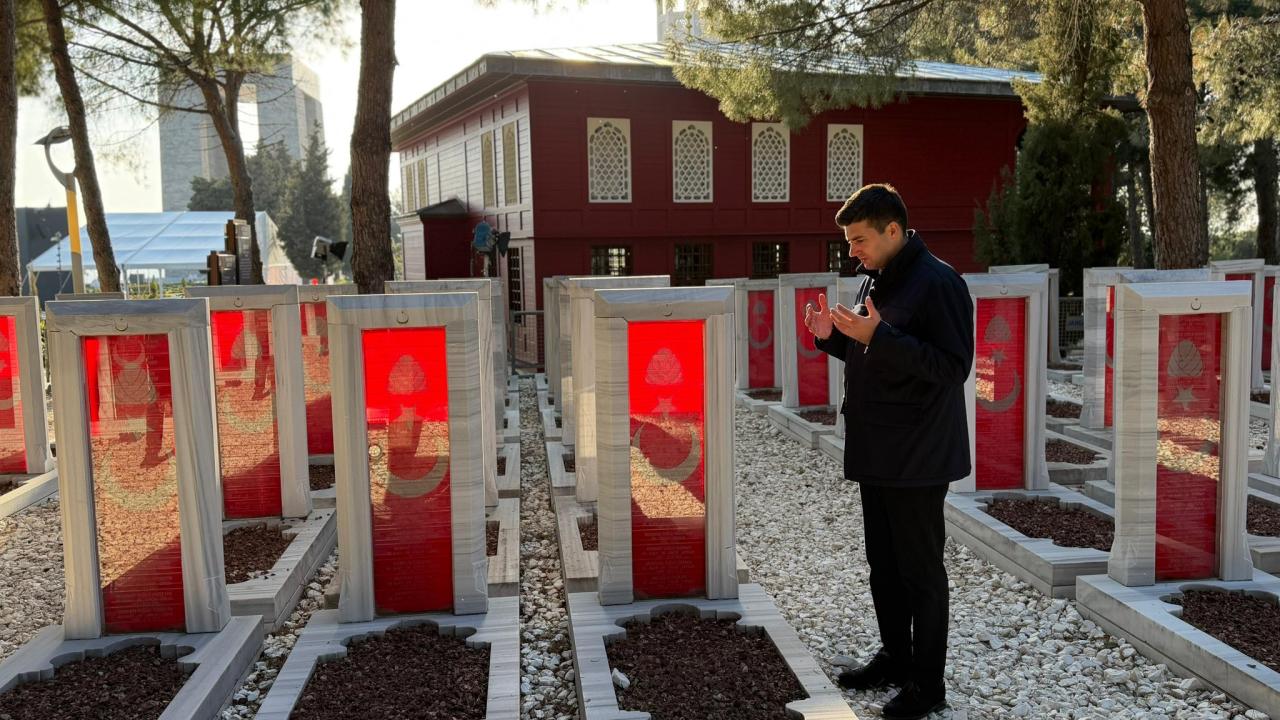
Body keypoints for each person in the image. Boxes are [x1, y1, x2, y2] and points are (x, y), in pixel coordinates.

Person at [804, 183, 974, 720]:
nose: (852, 250)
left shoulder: (939, 283)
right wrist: (831, 337)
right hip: (878, 450)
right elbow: (872, 348)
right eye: (850, 241)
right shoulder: (878, 277)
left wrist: (879, 336)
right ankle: (896, 659)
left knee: (921, 571)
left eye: (859, 240)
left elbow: (951, 367)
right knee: (884, 565)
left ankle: (928, 685)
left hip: (919, 454)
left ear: (893, 231)